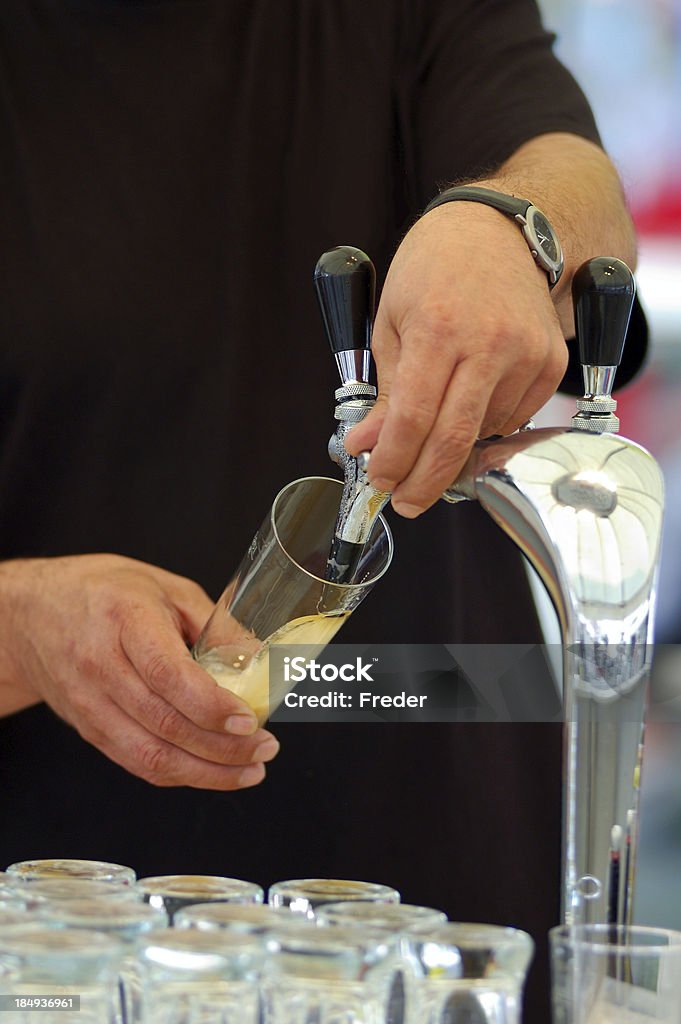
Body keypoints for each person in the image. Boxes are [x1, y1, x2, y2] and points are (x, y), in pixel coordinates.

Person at [0, 2, 645, 1020]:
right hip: (65, 945)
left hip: (442, 919)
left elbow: (574, 179)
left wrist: (509, 229)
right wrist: (23, 625)